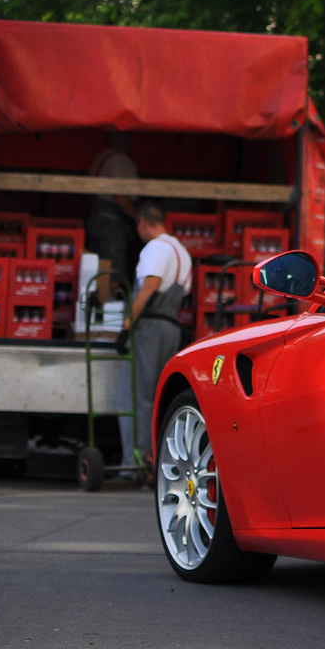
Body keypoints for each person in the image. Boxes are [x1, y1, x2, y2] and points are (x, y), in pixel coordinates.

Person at [119, 199, 192, 476]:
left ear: (142, 222)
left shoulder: (156, 248)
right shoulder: (181, 251)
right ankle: (155, 459)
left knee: (138, 396)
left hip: (151, 327)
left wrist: (129, 324)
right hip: (171, 325)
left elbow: (151, 283)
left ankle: (134, 462)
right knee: (157, 396)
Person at [85, 132, 138, 302]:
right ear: (125, 140)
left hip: (95, 219)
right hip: (111, 224)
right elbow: (121, 198)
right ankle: (109, 310)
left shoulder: (100, 157)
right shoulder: (119, 161)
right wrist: (140, 219)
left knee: (96, 269)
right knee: (112, 274)